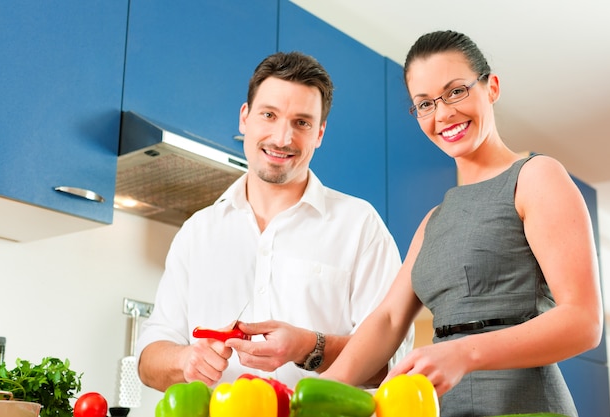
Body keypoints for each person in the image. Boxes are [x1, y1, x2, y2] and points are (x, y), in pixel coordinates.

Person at [320, 30, 603, 417]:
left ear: (491, 88)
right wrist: (318, 392)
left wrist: (463, 352)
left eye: (455, 91)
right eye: (424, 104)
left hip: (527, 404)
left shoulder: (536, 177)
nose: (443, 114)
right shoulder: (433, 221)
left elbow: (583, 320)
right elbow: (387, 320)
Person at [135, 51, 413, 391]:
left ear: (320, 133)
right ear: (245, 117)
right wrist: (185, 361)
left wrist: (308, 346)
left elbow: (392, 364)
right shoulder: (198, 232)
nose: (283, 138)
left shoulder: (360, 226)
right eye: (269, 115)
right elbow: (149, 359)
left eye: (302, 123)